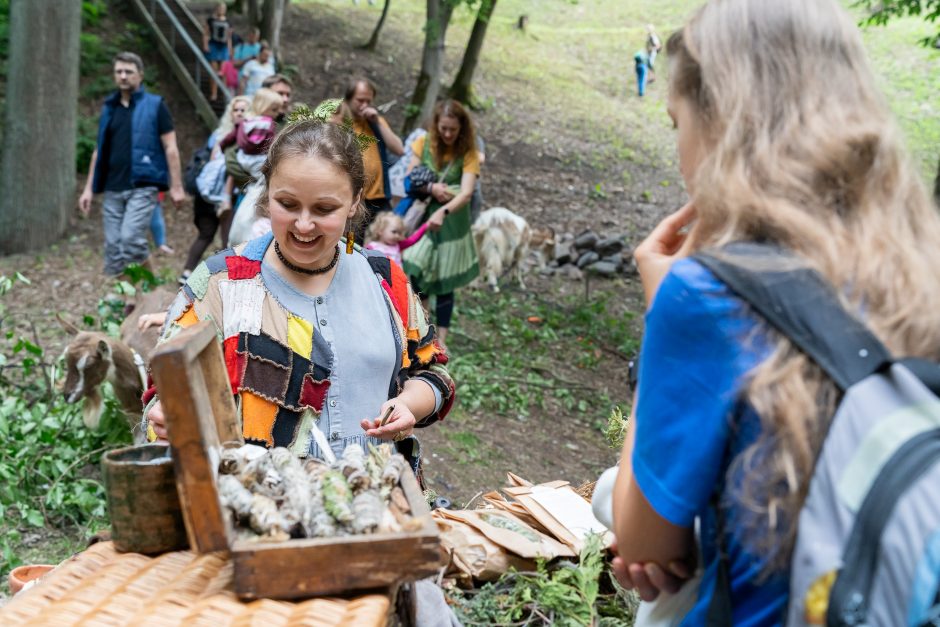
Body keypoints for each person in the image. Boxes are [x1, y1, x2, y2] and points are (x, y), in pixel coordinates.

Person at [609, 0, 940, 623]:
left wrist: (661, 311)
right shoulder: (920, 266)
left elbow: (644, 542)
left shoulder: (707, 297)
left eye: (676, 121)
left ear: (718, 125)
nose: (680, 150)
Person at [145, 118, 454, 472]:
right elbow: (161, 391)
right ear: (267, 192)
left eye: (324, 209)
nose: (303, 225)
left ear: (355, 201)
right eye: (288, 204)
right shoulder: (220, 283)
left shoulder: (384, 278)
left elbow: (434, 374)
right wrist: (167, 416)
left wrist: (410, 405)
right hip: (259, 507)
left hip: (379, 506)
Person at [79, 51, 185, 277]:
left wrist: (176, 186)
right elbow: (99, 150)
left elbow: (171, 147)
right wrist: (88, 189)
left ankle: (150, 288)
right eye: (119, 71)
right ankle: (126, 297)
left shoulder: (155, 105)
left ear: (140, 75)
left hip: (143, 184)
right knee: (113, 247)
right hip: (112, 186)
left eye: (129, 71)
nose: (123, 76)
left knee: (130, 240)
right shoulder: (109, 108)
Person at [401, 100, 481, 350]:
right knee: (417, 269)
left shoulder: (468, 153)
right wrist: (432, 188)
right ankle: (421, 327)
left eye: (453, 130)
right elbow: (409, 179)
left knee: (445, 279)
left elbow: (466, 192)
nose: (447, 134)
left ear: (462, 129)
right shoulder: (424, 143)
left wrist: (444, 211)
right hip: (425, 216)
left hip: (451, 221)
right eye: (443, 128)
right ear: (436, 125)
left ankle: (441, 339)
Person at [181, 95, 251, 284]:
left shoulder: (252, 137)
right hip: (212, 193)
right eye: (235, 110)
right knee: (206, 233)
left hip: (234, 195)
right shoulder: (221, 135)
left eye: (243, 110)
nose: (239, 113)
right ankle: (187, 273)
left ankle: (228, 278)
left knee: (228, 237)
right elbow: (214, 164)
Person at [343, 77, 405, 225]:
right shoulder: (340, 122)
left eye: (368, 101)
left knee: (387, 236)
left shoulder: (376, 121)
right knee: (352, 243)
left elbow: (399, 149)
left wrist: (377, 121)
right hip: (354, 199)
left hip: (379, 197)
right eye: (360, 100)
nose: (364, 105)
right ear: (348, 99)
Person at [217, 88, 283, 216]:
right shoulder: (269, 124)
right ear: (264, 106)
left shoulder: (245, 122)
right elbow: (271, 144)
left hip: (243, 158)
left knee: (255, 182)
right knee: (268, 181)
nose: (276, 113)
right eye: (274, 110)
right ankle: (265, 206)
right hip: (258, 160)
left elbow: (230, 137)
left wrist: (222, 145)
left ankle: (238, 194)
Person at [365, 212, 429, 266]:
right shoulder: (372, 247)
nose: (397, 236)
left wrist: (426, 226)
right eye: (394, 232)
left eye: (400, 233)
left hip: (397, 279)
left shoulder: (398, 245)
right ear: (380, 231)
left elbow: (413, 240)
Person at [202, 2, 233, 102]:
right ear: (217, 9)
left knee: (223, 72)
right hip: (214, 45)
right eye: (220, 8)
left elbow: (229, 37)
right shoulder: (210, 20)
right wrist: (205, 45)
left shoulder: (228, 21)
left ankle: (223, 93)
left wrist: (230, 49)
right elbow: (206, 33)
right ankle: (214, 93)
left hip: (223, 47)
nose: (221, 10)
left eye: (223, 8)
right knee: (214, 71)